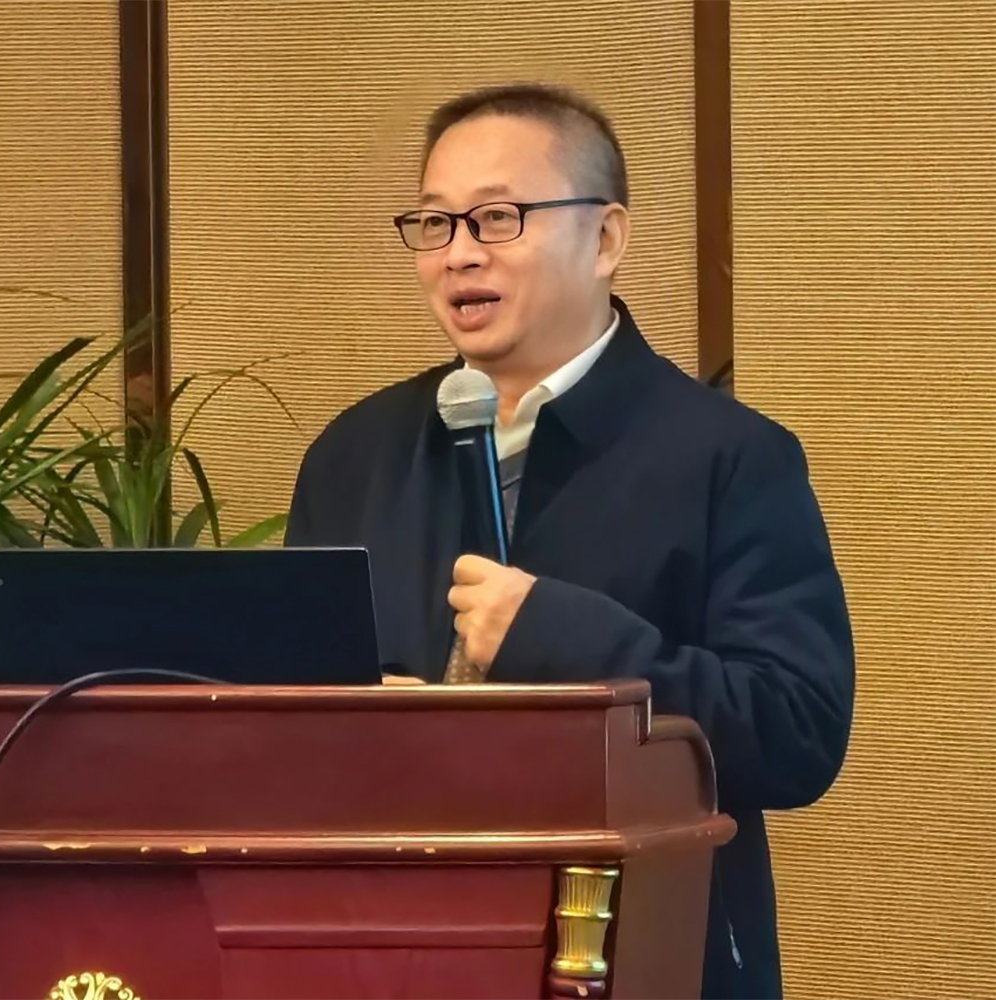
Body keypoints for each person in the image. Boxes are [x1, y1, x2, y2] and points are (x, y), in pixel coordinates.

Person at [284, 84, 854, 1000]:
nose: (459, 253)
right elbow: (286, 715)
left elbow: (795, 735)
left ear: (605, 239)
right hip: (386, 950)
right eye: (434, 223)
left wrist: (560, 639)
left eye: (497, 218)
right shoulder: (356, 453)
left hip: (640, 949)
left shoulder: (729, 457)